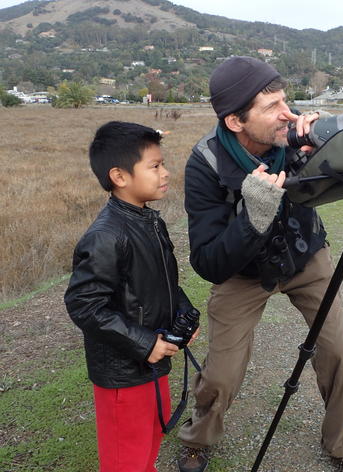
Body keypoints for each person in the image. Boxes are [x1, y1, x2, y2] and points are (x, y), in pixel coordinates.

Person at [176, 56, 343, 472]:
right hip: (243, 272)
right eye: (272, 107)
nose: (289, 113)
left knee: (338, 352)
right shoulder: (206, 164)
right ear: (235, 122)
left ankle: (341, 445)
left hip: (305, 256)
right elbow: (209, 263)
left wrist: (325, 150)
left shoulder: (297, 133)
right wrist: (253, 216)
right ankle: (198, 438)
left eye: (286, 101)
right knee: (222, 372)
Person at [64, 121, 199, 472]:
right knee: (126, 460)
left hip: (151, 362)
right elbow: (84, 304)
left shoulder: (148, 221)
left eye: (162, 163)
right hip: (125, 374)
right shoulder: (106, 236)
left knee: (148, 445)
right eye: (154, 166)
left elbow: (163, 281)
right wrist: (143, 343)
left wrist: (184, 316)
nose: (165, 172)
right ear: (119, 176)